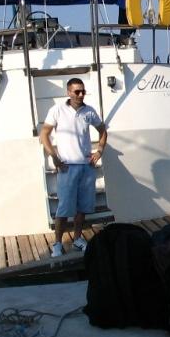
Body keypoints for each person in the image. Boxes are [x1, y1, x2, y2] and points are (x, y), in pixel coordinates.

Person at [40, 77, 108, 258]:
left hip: (87, 167)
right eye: (76, 91)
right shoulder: (57, 110)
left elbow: (102, 131)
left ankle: (78, 239)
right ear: (68, 92)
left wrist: (99, 151)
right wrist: (54, 156)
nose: (80, 94)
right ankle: (57, 243)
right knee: (63, 210)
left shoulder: (89, 111)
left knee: (82, 209)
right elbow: (44, 134)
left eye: (82, 91)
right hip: (67, 168)